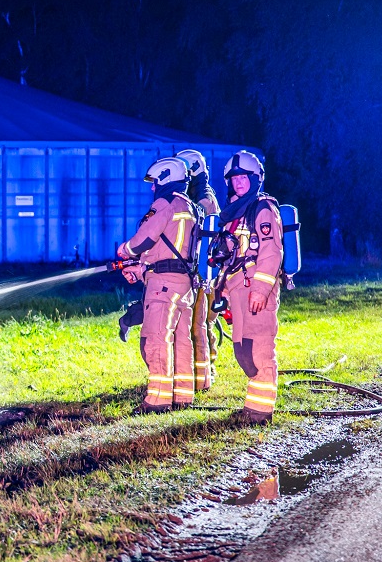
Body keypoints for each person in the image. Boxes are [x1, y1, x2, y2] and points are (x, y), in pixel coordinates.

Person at [116, 156, 199, 413]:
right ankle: (183, 396)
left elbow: (145, 239)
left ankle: (158, 401)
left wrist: (126, 250)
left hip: (163, 285)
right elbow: (169, 249)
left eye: (154, 182)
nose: (152, 188)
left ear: (165, 179)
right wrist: (141, 268)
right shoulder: (189, 206)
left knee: (156, 339)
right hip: (184, 283)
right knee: (182, 341)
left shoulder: (164, 204)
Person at [212, 150, 284, 425]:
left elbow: (271, 252)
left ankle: (260, 413)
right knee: (244, 351)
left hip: (256, 287)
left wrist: (260, 290)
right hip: (238, 285)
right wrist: (226, 292)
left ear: (256, 179)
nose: (239, 182)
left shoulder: (262, 208)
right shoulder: (234, 214)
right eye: (235, 178)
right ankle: (252, 407)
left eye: (244, 177)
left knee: (259, 347)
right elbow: (232, 258)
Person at [177, 149, 220, 393]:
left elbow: (202, 244)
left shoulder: (203, 201)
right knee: (200, 326)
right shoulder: (199, 196)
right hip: (199, 274)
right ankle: (197, 374)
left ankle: (203, 377)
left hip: (202, 277)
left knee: (198, 327)